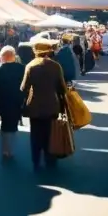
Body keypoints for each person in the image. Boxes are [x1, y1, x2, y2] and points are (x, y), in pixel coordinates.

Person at [21, 40, 69, 170]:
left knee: (35, 135)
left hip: (34, 106)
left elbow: (23, 88)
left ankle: (36, 161)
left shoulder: (30, 66)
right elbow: (62, 88)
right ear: (48, 51)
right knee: (50, 134)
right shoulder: (55, 66)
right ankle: (50, 160)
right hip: (52, 105)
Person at [0, 46, 25, 161]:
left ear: (3, 57)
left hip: (4, 103)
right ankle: (12, 149)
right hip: (18, 102)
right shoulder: (22, 68)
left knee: (5, 126)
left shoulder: (0, 69)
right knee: (14, 125)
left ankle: (6, 150)